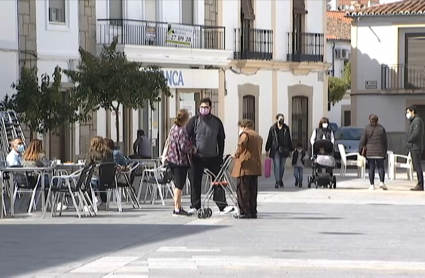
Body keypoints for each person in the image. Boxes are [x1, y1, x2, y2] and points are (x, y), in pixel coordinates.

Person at [186, 97, 232, 214]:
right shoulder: (193, 121)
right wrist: (190, 150)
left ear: (210, 108)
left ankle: (222, 205)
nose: (204, 109)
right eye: (202, 107)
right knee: (195, 181)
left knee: (218, 181)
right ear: (198, 108)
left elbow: (221, 140)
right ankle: (195, 205)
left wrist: (220, 156)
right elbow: (186, 137)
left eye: (206, 107)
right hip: (197, 158)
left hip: (213, 158)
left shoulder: (217, 122)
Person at [232, 119, 263, 219]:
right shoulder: (258, 136)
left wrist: (236, 154)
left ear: (243, 126)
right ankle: (252, 211)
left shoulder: (245, 135)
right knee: (252, 190)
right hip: (255, 167)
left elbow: (241, 145)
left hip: (245, 166)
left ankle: (244, 211)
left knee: (242, 189)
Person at [167, 109, 195, 217]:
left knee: (176, 185)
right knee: (179, 186)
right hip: (180, 161)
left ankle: (178, 206)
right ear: (185, 119)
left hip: (172, 159)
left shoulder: (173, 128)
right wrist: (192, 149)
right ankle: (177, 208)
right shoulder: (182, 130)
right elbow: (183, 147)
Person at [359, 114, 388, 191]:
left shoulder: (366, 128)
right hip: (380, 151)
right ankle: (382, 182)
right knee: (381, 167)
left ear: (369, 120)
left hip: (370, 152)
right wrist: (385, 151)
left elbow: (363, 140)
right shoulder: (381, 129)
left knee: (371, 168)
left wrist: (360, 150)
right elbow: (385, 141)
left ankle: (372, 185)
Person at [265, 113, 294, 188]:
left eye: (283, 118)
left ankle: (280, 180)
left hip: (284, 149)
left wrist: (291, 149)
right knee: (277, 166)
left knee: (282, 167)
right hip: (276, 150)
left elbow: (289, 139)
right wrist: (267, 149)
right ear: (277, 119)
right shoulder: (273, 128)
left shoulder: (286, 128)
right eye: (280, 118)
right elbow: (270, 139)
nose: (282, 120)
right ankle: (278, 181)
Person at [85, 136, 114, 208]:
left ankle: (90, 202)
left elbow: (86, 166)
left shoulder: (92, 154)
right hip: (110, 180)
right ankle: (104, 201)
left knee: (87, 182)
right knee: (100, 179)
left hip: (97, 180)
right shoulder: (110, 153)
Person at [406, 106, 424, 191]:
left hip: (416, 147)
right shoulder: (413, 121)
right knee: (416, 166)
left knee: (417, 166)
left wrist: (409, 140)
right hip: (413, 147)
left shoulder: (417, 121)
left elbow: (416, 134)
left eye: (408, 112)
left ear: (413, 112)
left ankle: (420, 184)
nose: (407, 114)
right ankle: (419, 183)